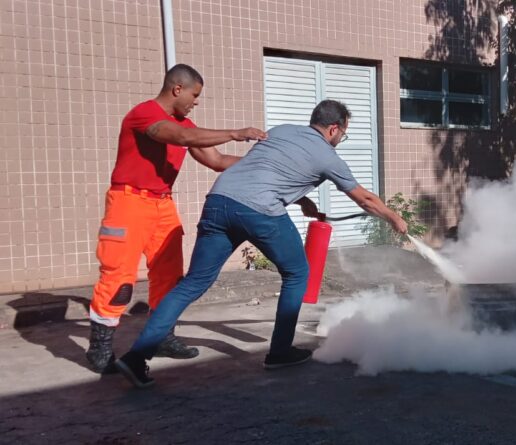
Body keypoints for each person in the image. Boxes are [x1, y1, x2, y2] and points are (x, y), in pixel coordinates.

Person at [115, 100, 407, 388]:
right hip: (259, 210)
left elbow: (265, 169)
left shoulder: (281, 131)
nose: (341, 138)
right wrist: (394, 218)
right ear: (333, 128)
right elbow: (364, 198)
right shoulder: (327, 156)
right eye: (343, 133)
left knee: (193, 282)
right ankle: (280, 352)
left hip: (219, 201)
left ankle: (136, 356)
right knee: (296, 273)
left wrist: (301, 198)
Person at [86, 64, 267, 374]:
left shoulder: (185, 124)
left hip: (162, 204)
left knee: (170, 277)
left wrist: (266, 164)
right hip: (129, 202)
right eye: (195, 95)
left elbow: (219, 160)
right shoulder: (144, 115)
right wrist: (236, 133)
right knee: (119, 280)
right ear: (177, 89)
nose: (196, 101)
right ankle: (100, 350)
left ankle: (163, 337)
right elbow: (182, 137)